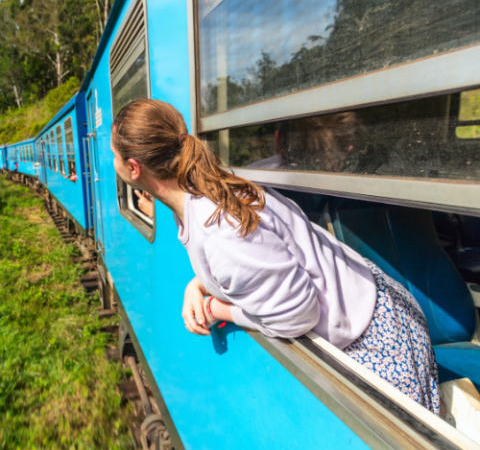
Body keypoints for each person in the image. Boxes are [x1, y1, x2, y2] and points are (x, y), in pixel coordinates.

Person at [110, 98, 440, 415]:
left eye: (114, 155)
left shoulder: (216, 231)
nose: (112, 162)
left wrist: (215, 308)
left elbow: (297, 316)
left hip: (377, 339)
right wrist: (198, 284)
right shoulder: (203, 190)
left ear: (134, 168)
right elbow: (261, 257)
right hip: (369, 304)